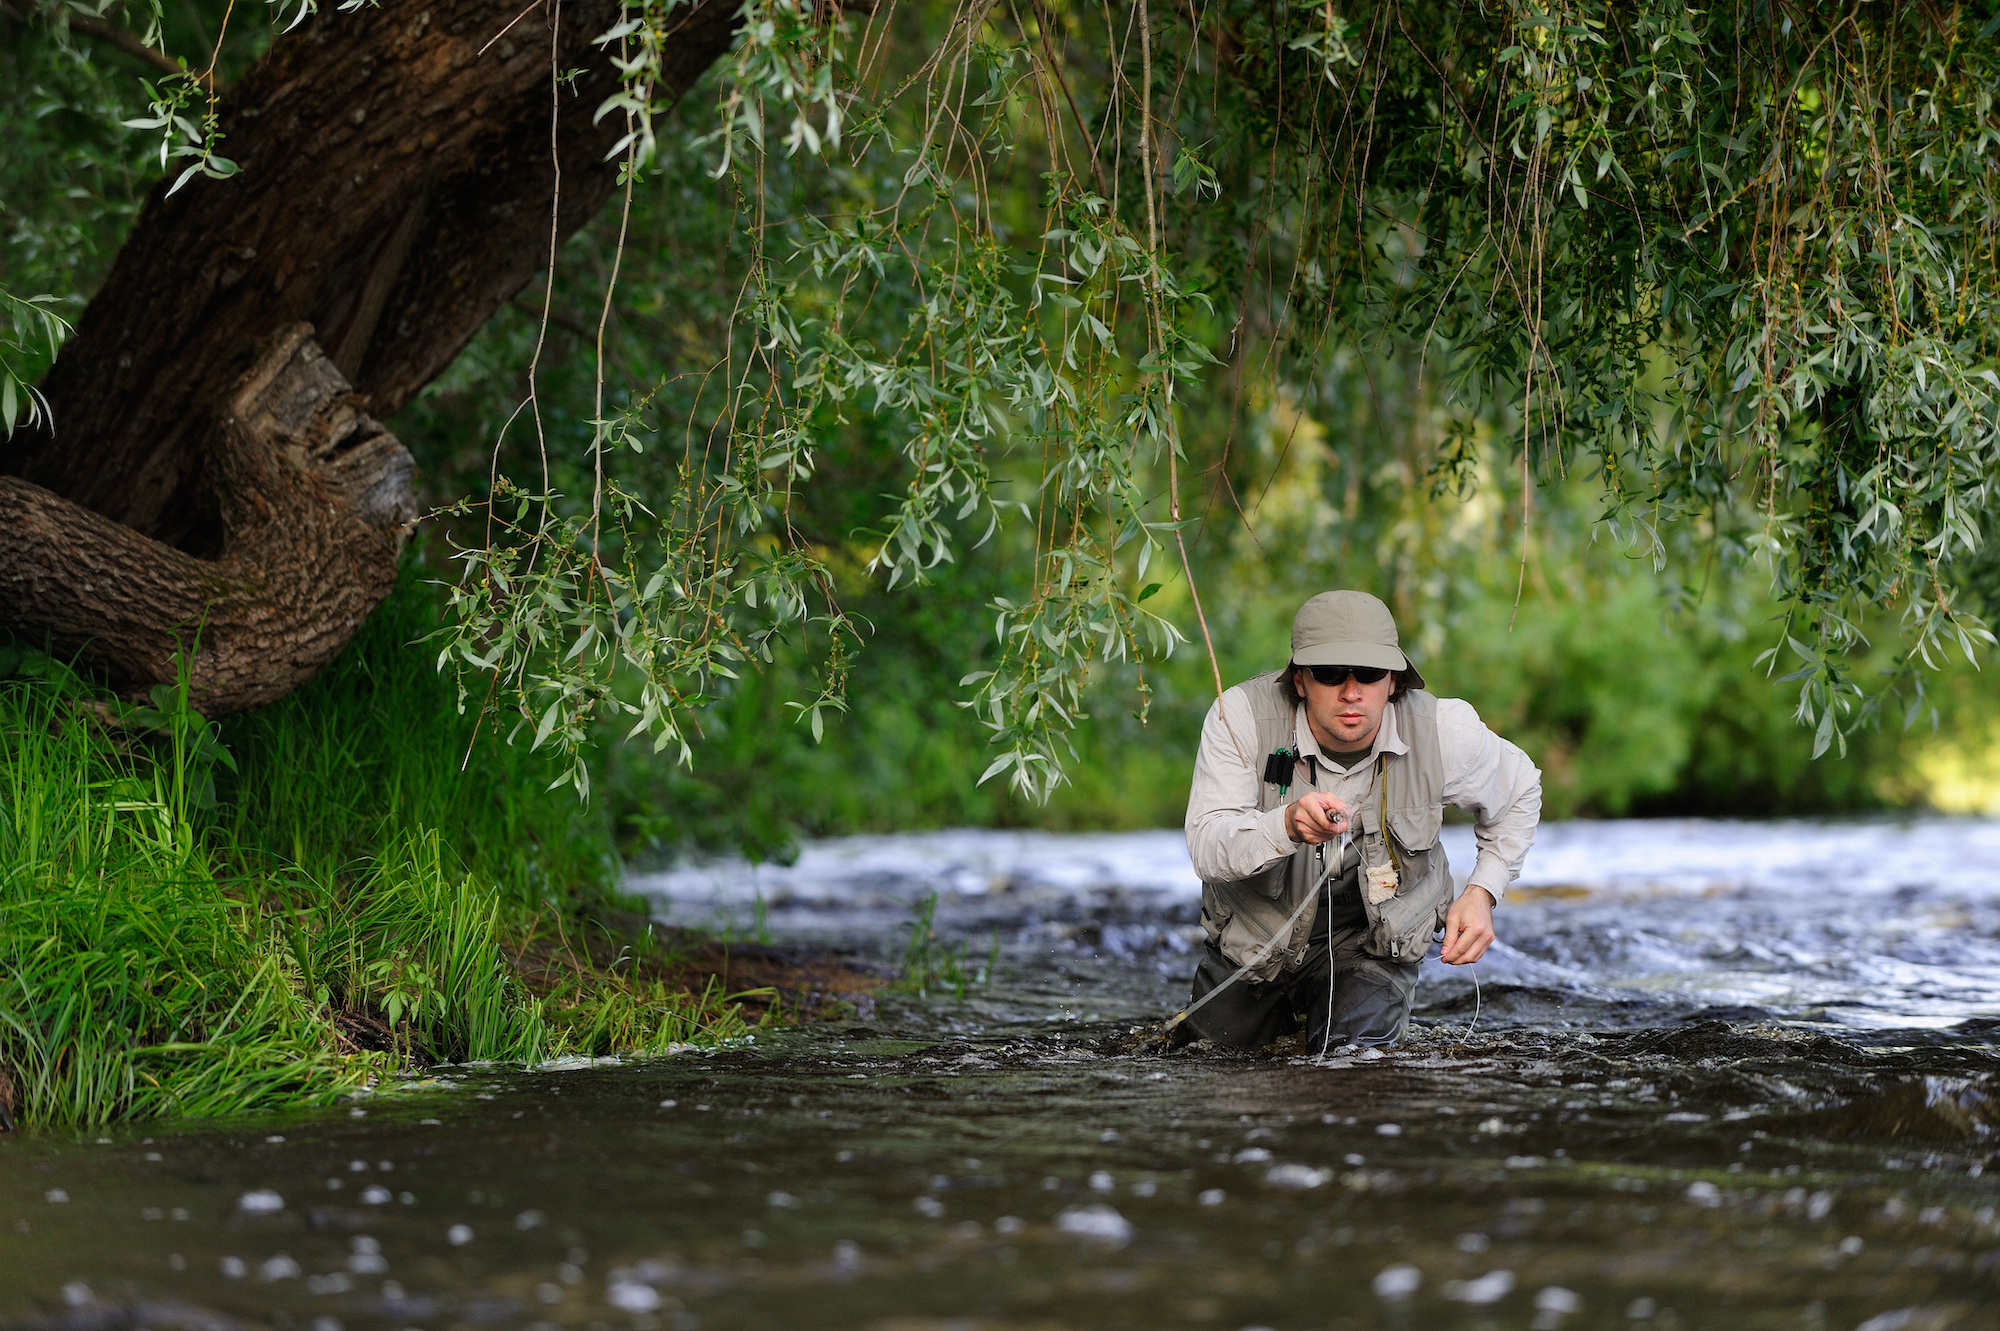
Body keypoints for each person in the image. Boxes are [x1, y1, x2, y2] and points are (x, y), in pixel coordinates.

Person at [1179, 590, 1542, 1051]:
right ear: (1299, 681)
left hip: (1373, 948)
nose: (1351, 692)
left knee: (1355, 1070)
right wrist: (1285, 826)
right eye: (1331, 674)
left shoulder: (1444, 731)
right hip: (1252, 951)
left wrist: (1482, 892)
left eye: (1369, 674)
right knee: (1207, 1066)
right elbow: (1207, 846)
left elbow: (1520, 789)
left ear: (1393, 681)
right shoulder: (1240, 719)